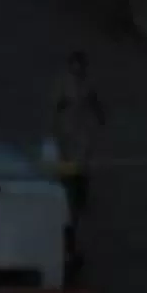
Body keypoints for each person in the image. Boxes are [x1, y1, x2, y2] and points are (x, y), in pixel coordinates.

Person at [46, 52, 106, 231]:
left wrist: (100, 116)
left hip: (82, 129)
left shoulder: (88, 83)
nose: (77, 70)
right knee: (67, 162)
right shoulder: (63, 83)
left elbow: (94, 100)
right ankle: (66, 191)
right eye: (74, 66)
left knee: (83, 163)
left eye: (80, 66)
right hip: (66, 128)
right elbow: (56, 105)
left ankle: (80, 194)